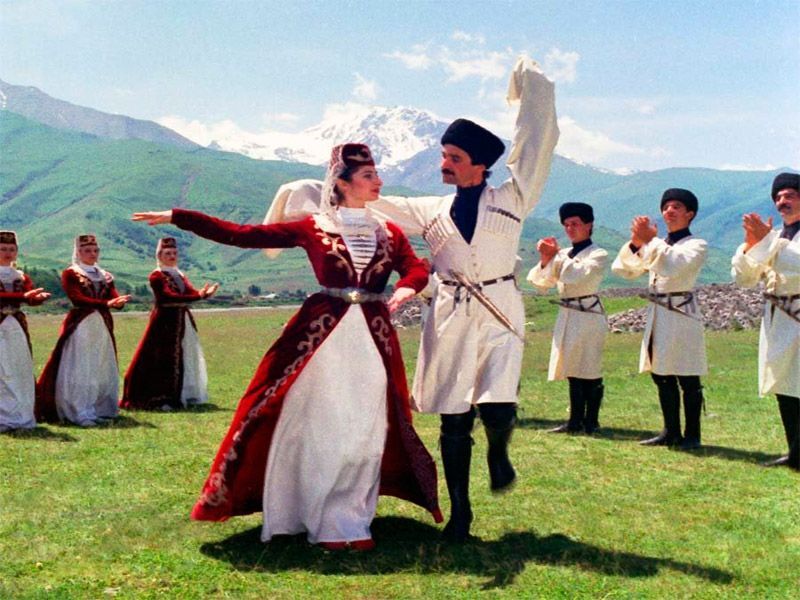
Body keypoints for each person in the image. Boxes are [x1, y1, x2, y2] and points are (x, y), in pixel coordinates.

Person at [266, 56, 559, 542]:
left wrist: (532, 89)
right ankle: (461, 512)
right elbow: (371, 200)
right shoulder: (431, 208)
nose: (443, 164)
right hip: (448, 311)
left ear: (479, 164)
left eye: (453, 158)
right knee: (452, 413)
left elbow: (537, 142)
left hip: (500, 305)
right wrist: (316, 186)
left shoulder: (514, 195)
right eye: (444, 156)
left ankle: (499, 450)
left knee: (499, 401)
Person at [132, 143, 442, 551]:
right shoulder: (313, 227)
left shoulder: (390, 231)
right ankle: (313, 513)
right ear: (343, 183)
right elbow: (243, 235)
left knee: (365, 424)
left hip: (371, 335)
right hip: (322, 335)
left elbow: (416, 267)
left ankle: (351, 518)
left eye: (376, 174)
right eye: (368, 176)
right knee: (324, 422)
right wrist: (180, 217)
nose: (378, 181)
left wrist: (405, 288)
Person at [611, 189, 708, 450]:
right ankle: (671, 431)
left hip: (682, 313)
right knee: (661, 374)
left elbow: (674, 265)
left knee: (687, 375)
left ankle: (693, 434)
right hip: (659, 314)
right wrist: (635, 242)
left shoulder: (696, 244)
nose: (670, 211)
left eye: (677, 206)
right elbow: (624, 270)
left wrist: (650, 240)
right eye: (666, 207)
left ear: (690, 214)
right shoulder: (658, 244)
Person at [731, 172, 800, 471]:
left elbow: (796, 263)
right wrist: (750, 246)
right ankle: (795, 452)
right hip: (777, 319)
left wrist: (767, 242)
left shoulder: (776, 240)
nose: (782, 201)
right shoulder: (773, 237)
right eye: (778, 197)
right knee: (784, 386)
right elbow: (743, 278)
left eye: (790, 195)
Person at [527, 203, 608, 434]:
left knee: (589, 366)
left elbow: (577, 276)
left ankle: (591, 421)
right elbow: (541, 281)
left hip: (589, 313)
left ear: (589, 225)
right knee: (572, 367)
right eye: (567, 224)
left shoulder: (598, 254)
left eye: (576, 224)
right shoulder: (562, 254)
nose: (570, 228)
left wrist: (556, 258)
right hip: (568, 313)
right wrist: (545, 259)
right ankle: (574, 421)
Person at [35, 235, 130, 427]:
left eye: (95, 250)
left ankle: (99, 407)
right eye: (87, 250)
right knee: (80, 365)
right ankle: (78, 410)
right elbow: (77, 298)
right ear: (78, 252)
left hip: (102, 324)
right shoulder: (71, 273)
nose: (92, 254)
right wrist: (107, 303)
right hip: (81, 324)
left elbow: (113, 297)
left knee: (99, 364)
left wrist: (118, 303)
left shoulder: (105, 275)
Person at [121, 237, 218, 411]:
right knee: (161, 357)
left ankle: (184, 393)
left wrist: (204, 294)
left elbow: (190, 292)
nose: (172, 256)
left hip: (181, 319)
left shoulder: (179, 274)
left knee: (184, 354)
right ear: (159, 256)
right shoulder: (156, 276)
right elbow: (167, 297)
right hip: (164, 322)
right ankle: (160, 397)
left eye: (174, 253)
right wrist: (198, 296)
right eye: (168, 253)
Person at [0, 231, 50, 432]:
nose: (8, 253)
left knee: (18, 367)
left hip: (16, 325)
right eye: (3, 249)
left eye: (12, 249)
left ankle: (19, 414)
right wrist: (23, 296)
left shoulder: (20, 276)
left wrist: (37, 298)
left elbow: (29, 298)